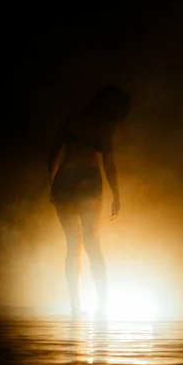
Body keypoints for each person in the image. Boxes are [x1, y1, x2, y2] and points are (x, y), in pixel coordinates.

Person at [48, 85, 130, 318]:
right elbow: (109, 163)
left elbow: (54, 153)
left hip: (64, 181)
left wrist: (51, 182)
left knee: (73, 246)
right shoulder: (103, 127)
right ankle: (102, 305)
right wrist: (116, 193)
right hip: (87, 181)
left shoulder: (72, 120)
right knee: (92, 244)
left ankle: (76, 305)